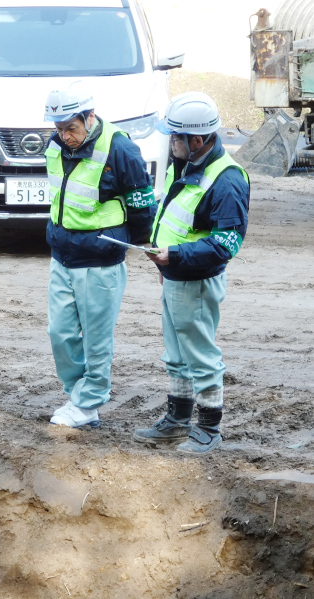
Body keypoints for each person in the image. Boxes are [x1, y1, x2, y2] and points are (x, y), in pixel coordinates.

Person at [133, 92, 249, 454]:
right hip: (176, 275)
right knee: (177, 354)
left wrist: (176, 255)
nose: (171, 142)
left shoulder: (226, 180)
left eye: (175, 136)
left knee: (199, 354)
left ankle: (209, 429)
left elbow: (226, 244)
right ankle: (177, 421)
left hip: (196, 281)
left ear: (196, 140)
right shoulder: (185, 165)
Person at [43, 80, 157, 428]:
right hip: (62, 254)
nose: (65, 136)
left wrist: (128, 241)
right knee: (59, 333)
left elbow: (142, 203)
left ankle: (88, 402)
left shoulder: (119, 149)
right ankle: (79, 397)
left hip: (99, 259)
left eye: (71, 128)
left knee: (96, 337)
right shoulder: (57, 143)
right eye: (59, 129)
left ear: (90, 116)